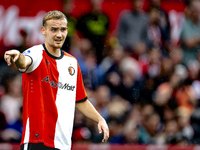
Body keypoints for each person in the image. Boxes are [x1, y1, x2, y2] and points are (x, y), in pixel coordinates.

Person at [4, 10, 109, 150]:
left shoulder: (72, 63)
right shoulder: (35, 53)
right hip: (37, 142)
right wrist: (18, 56)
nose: (59, 34)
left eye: (63, 30)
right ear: (43, 30)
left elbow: (80, 100)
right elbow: (24, 61)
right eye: (54, 29)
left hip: (63, 144)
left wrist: (99, 119)